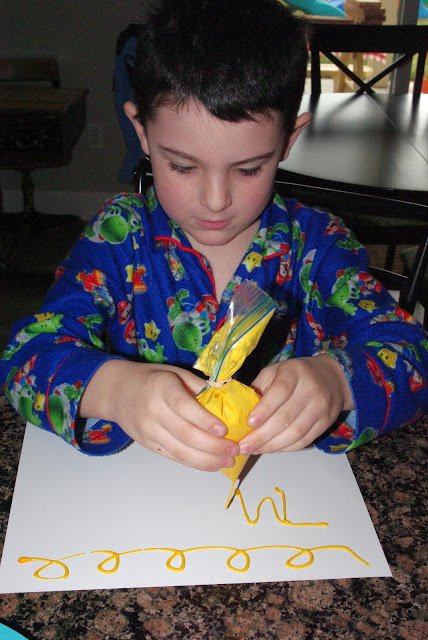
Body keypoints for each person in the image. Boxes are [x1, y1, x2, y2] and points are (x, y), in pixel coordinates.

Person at [1, 0, 427, 470]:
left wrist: (335, 380)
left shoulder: (316, 245)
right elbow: (25, 358)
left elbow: (411, 355)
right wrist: (116, 391)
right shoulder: (118, 239)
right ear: (141, 132)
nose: (216, 200)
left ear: (288, 139)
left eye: (248, 169)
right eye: (182, 165)